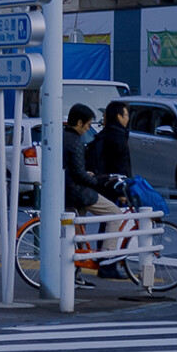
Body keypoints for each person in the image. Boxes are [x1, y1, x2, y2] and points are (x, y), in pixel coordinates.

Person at [64, 102, 124, 282]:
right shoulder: (75, 142)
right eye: (88, 124)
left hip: (66, 193)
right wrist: (98, 180)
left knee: (74, 236)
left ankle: (74, 275)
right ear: (80, 122)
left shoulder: (63, 137)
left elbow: (73, 169)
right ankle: (107, 258)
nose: (89, 128)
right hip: (79, 193)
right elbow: (80, 175)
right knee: (115, 213)